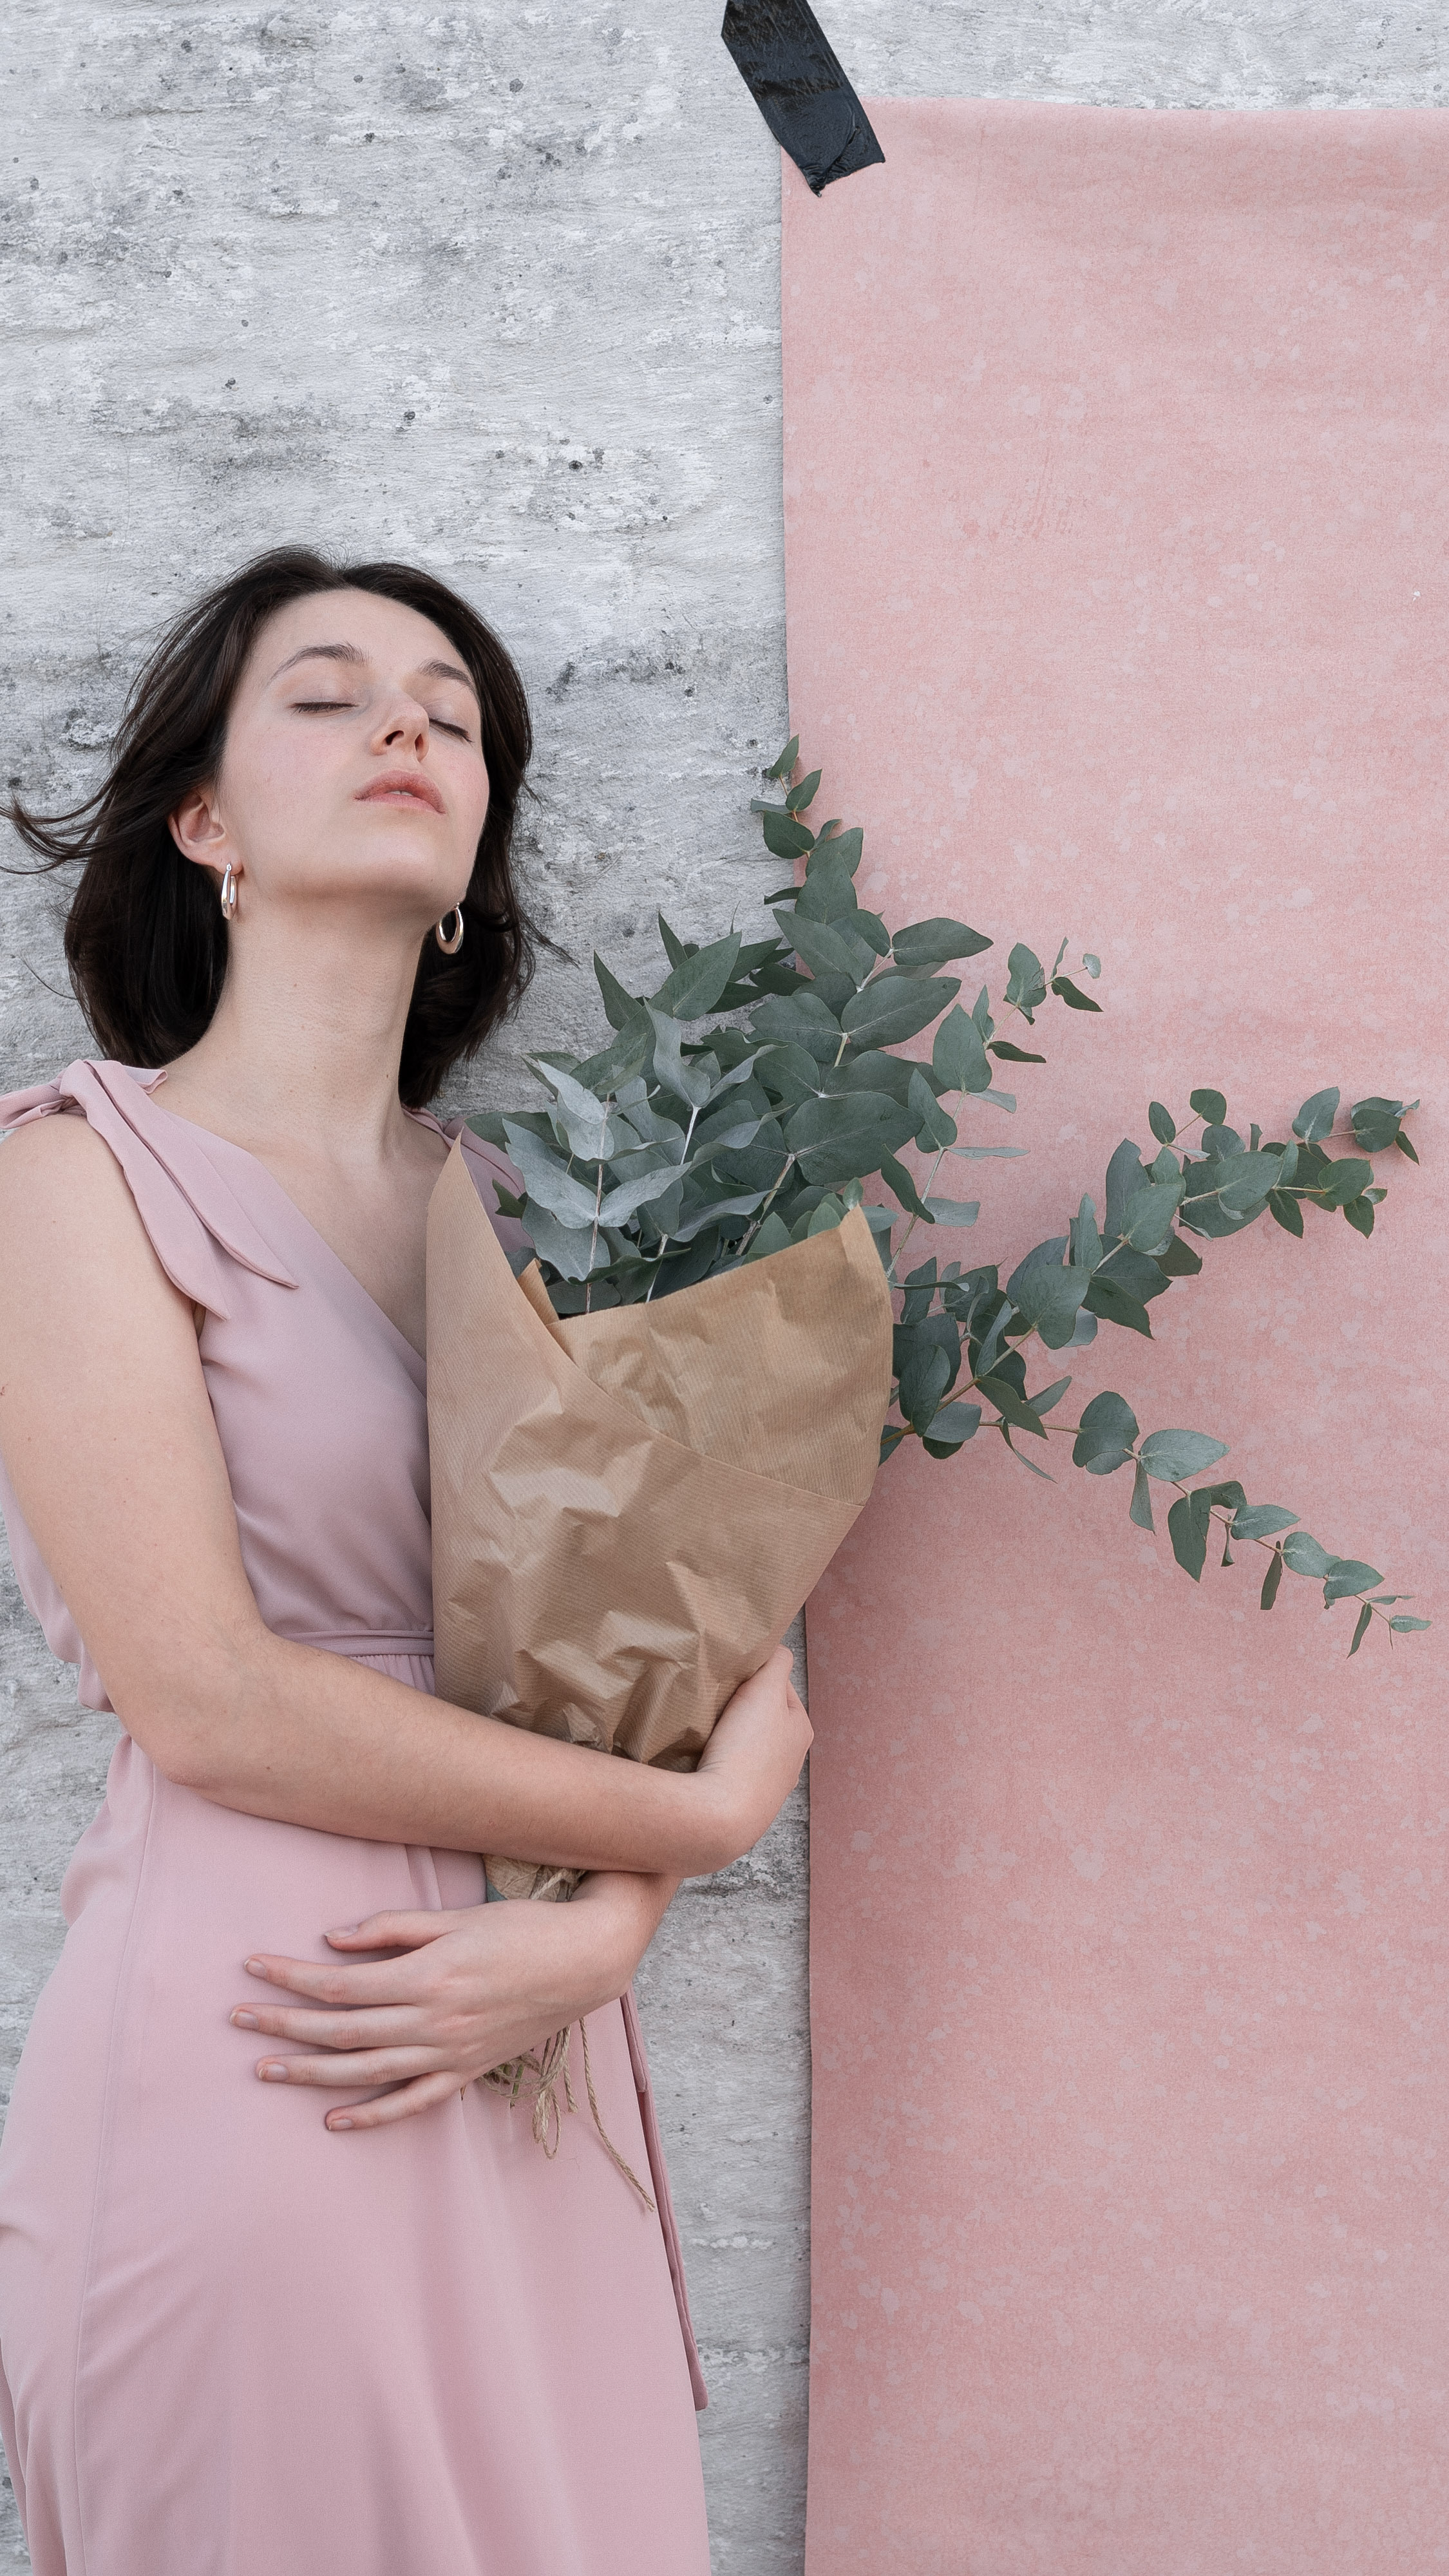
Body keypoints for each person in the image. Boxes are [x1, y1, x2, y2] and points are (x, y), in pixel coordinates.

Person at [0, 547, 812, 2576]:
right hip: (276, 2029)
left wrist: (610, 1925)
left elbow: (722, 1629)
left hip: (539, 2035)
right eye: (330, 693)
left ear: (472, 854)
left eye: (451, 713)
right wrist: (690, 1835)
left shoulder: (554, 1220)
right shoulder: (66, 1176)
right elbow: (208, 1696)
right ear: (204, 824)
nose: (406, 726)